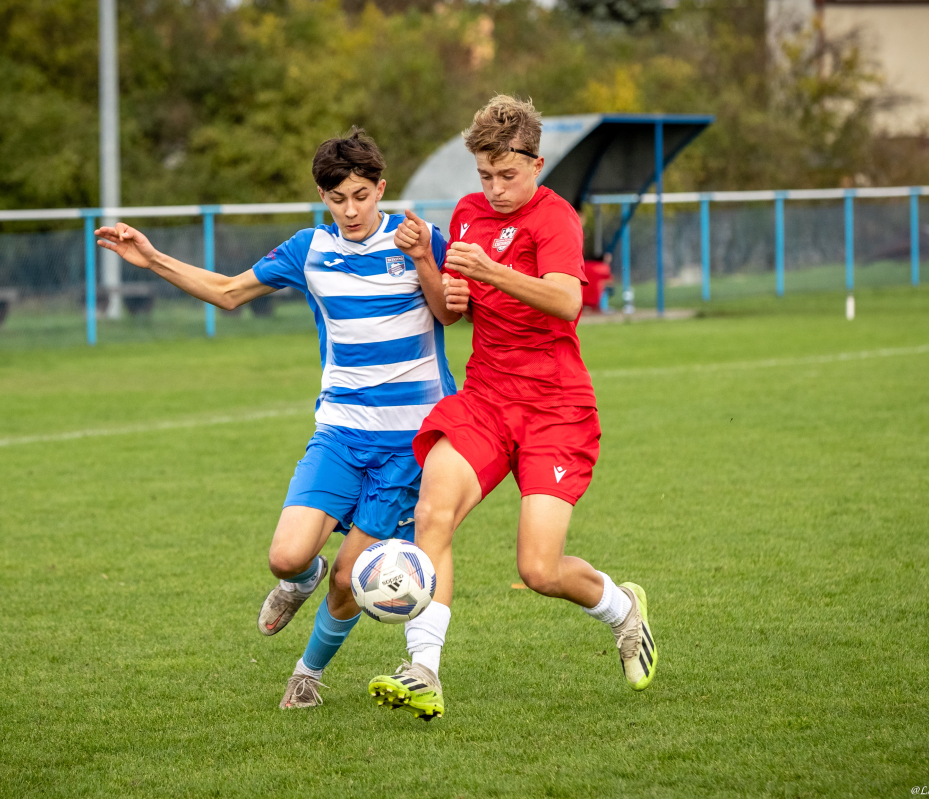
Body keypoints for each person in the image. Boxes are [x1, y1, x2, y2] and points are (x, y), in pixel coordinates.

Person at [94, 128, 459, 709]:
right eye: (337, 199)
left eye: (361, 196)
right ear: (322, 197)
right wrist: (152, 257)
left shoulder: (422, 239)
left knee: (349, 577)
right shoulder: (309, 249)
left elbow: (449, 314)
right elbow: (228, 292)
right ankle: (299, 580)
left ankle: (307, 675)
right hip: (340, 435)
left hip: (408, 446)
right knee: (286, 557)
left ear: (380, 188)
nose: (351, 210)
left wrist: (420, 258)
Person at [368, 97, 657, 721]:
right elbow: (452, 312)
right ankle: (423, 670)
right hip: (486, 398)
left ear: (536, 164)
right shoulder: (467, 214)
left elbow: (566, 303)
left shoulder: (557, 219)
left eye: (507, 175)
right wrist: (429, 266)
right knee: (432, 513)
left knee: (538, 569)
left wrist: (490, 271)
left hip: (555, 407)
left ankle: (623, 610)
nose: (495, 189)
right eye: (485, 175)